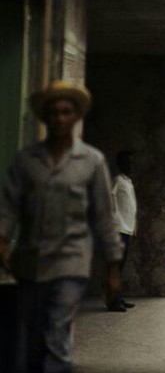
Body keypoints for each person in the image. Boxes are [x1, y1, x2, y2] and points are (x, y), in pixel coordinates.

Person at [0, 80, 123, 372]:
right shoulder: (27, 160)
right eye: (54, 112)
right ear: (45, 117)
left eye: (66, 112)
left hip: (71, 263)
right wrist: (2, 237)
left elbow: (104, 217)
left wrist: (113, 267)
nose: (60, 118)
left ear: (76, 116)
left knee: (56, 332)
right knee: (30, 341)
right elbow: (8, 205)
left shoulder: (91, 162)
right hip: (29, 262)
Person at [111, 150, 138, 311]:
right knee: (115, 267)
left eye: (132, 162)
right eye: (128, 162)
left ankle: (118, 297)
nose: (131, 165)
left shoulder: (128, 181)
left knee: (121, 267)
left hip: (127, 228)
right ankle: (112, 300)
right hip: (119, 228)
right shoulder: (117, 181)